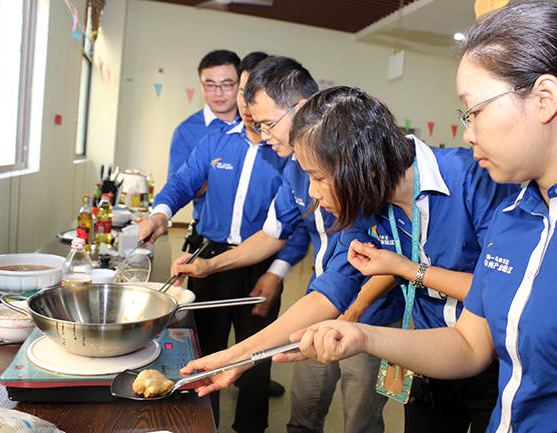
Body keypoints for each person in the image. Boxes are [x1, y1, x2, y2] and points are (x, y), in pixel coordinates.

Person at [279, 2, 557, 432]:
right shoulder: (515, 216)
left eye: (475, 111)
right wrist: (362, 336)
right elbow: (469, 346)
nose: (467, 133)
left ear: (545, 99)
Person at [172, 56, 404, 433]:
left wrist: (241, 355)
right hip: (321, 306)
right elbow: (272, 235)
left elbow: (349, 277)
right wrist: (210, 266)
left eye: (267, 124)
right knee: (304, 411)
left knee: (360, 418)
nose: (263, 136)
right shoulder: (295, 169)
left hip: (371, 313)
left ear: (299, 108)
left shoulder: (352, 172)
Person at [279, 85, 518, 433]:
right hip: (426, 356)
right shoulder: (367, 201)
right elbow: (331, 287)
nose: (313, 192)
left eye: (317, 177)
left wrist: (406, 269)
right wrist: (235, 357)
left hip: (495, 365)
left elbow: (494, 290)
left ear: (360, 166)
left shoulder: (472, 180)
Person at [139, 51, 292, 433]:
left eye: (250, 92)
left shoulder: (287, 153)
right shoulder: (214, 140)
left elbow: (291, 227)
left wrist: (275, 272)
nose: (244, 101)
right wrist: (161, 212)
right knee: (204, 351)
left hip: (260, 264)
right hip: (207, 259)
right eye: (241, 91)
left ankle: (249, 428)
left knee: (255, 357)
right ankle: (203, 425)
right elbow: (181, 183)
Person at [169, 49, 241, 253]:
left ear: (241, 83)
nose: (218, 93)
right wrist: (226, 173)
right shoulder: (186, 131)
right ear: (200, 85)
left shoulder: (257, 127)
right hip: (208, 239)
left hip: (257, 240)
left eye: (227, 85)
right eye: (210, 85)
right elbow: (181, 186)